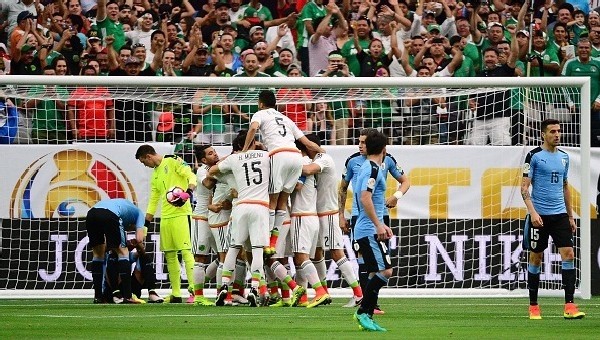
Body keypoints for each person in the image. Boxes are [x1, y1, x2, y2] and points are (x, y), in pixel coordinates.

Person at [241, 90, 322, 256]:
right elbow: (306, 142)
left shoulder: (260, 113)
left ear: (261, 103)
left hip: (279, 155)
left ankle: (265, 240)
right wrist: (323, 153)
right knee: (283, 202)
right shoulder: (286, 118)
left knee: (272, 200)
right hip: (295, 156)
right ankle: (273, 242)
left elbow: (253, 129)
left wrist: (244, 151)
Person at [338, 128, 410, 313]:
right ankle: (367, 305)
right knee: (365, 260)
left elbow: (406, 181)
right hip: (361, 217)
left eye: (364, 142)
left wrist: (396, 196)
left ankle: (369, 305)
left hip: (379, 217)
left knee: (377, 263)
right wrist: (341, 215)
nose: (361, 145)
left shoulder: (387, 161)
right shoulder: (354, 162)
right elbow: (344, 188)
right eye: (360, 141)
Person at [521, 119, 585, 320]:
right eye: (552, 131)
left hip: (559, 216)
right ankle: (533, 306)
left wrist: (570, 216)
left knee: (569, 255)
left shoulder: (564, 158)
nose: (557, 135)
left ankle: (569, 305)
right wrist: (533, 213)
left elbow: (565, 187)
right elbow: (524, 188)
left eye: (559, 131)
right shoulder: (533, 156)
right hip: (538, 216)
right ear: (543, 134)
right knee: (536, 258)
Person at [299, 133, 363, 308]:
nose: (302, 150)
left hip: (328, 213)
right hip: (316, 214)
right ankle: (324, 293)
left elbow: (307, 170)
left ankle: (358, 294)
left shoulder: (324, 159)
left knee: (336, 253)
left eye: (303, 147)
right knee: (317, 253)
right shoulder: (316, 158)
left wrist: (286, 162)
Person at [209, 131, 270, 307]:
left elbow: (212, 171)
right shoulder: (266, 156)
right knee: (257, 250)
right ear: (254, 141)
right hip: (259, 206)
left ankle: (224, 287)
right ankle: (255, 289)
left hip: (241, 206)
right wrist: (261, 147)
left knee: (234, 248)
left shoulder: (234, 158)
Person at [135, 144, 197, 303]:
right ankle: (176, 293)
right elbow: (153, 201)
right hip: (166, 218)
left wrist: (189, 192)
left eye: (143, 162)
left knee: (185, 252)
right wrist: (146, 225)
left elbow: (191, 175)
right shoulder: (155, 175)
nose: (145, 165)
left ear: (148, 156)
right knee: (170, 255)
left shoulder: (173, 161)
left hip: (182, 214)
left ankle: (195, 292)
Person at [352, 130, 393, 332]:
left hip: (368, 227)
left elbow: (369, 199)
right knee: (385, 270)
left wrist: (381, 224)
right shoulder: (373, 170)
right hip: (368, 229)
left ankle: (367, 315)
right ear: (384, 149)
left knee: (374, 272)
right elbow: (365, 198)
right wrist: (378, 224)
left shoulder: (367, 167)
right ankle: (363, 312)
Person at [85, 198, 146, 304]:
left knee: (98, 255)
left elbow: (107, 246)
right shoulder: (139, 214)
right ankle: (128, 296)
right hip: (110, 214)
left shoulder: (122, 206)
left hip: (91, 214)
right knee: (123, 253)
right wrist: (139, 247)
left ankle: (98, 297)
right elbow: (140, 239)